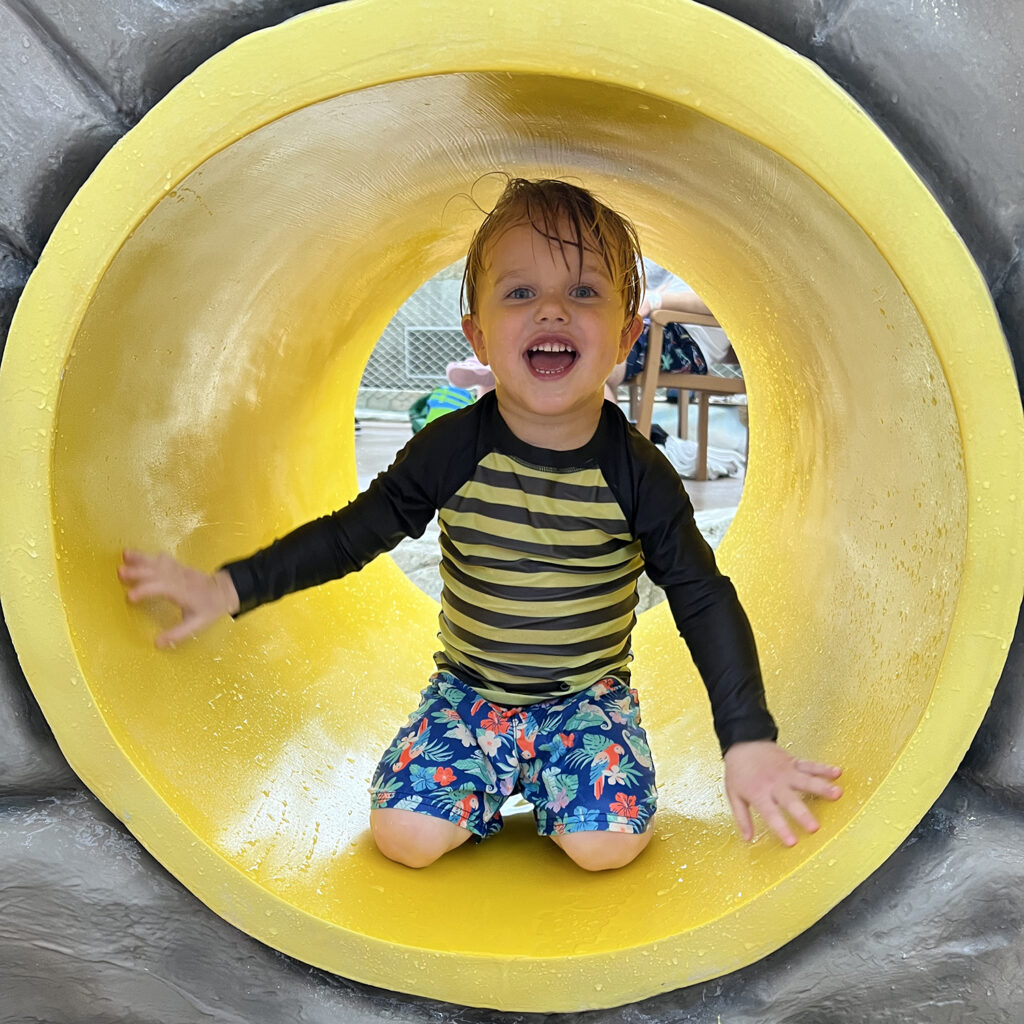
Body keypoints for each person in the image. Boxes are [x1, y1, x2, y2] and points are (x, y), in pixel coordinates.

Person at [118, 177, 841, 872]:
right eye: (520, 292)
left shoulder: (637, 472)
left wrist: (747, 738)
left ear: (625, 334)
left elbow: (700, 593)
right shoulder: (452, 447)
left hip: (586, 699)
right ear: (479, 335)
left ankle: (555, 790)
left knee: (606, 848)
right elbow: (352, 534)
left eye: (582, 292)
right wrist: (230, 588)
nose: (552, 310)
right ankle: (486, 787)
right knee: (404, 835)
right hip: (468, 697)